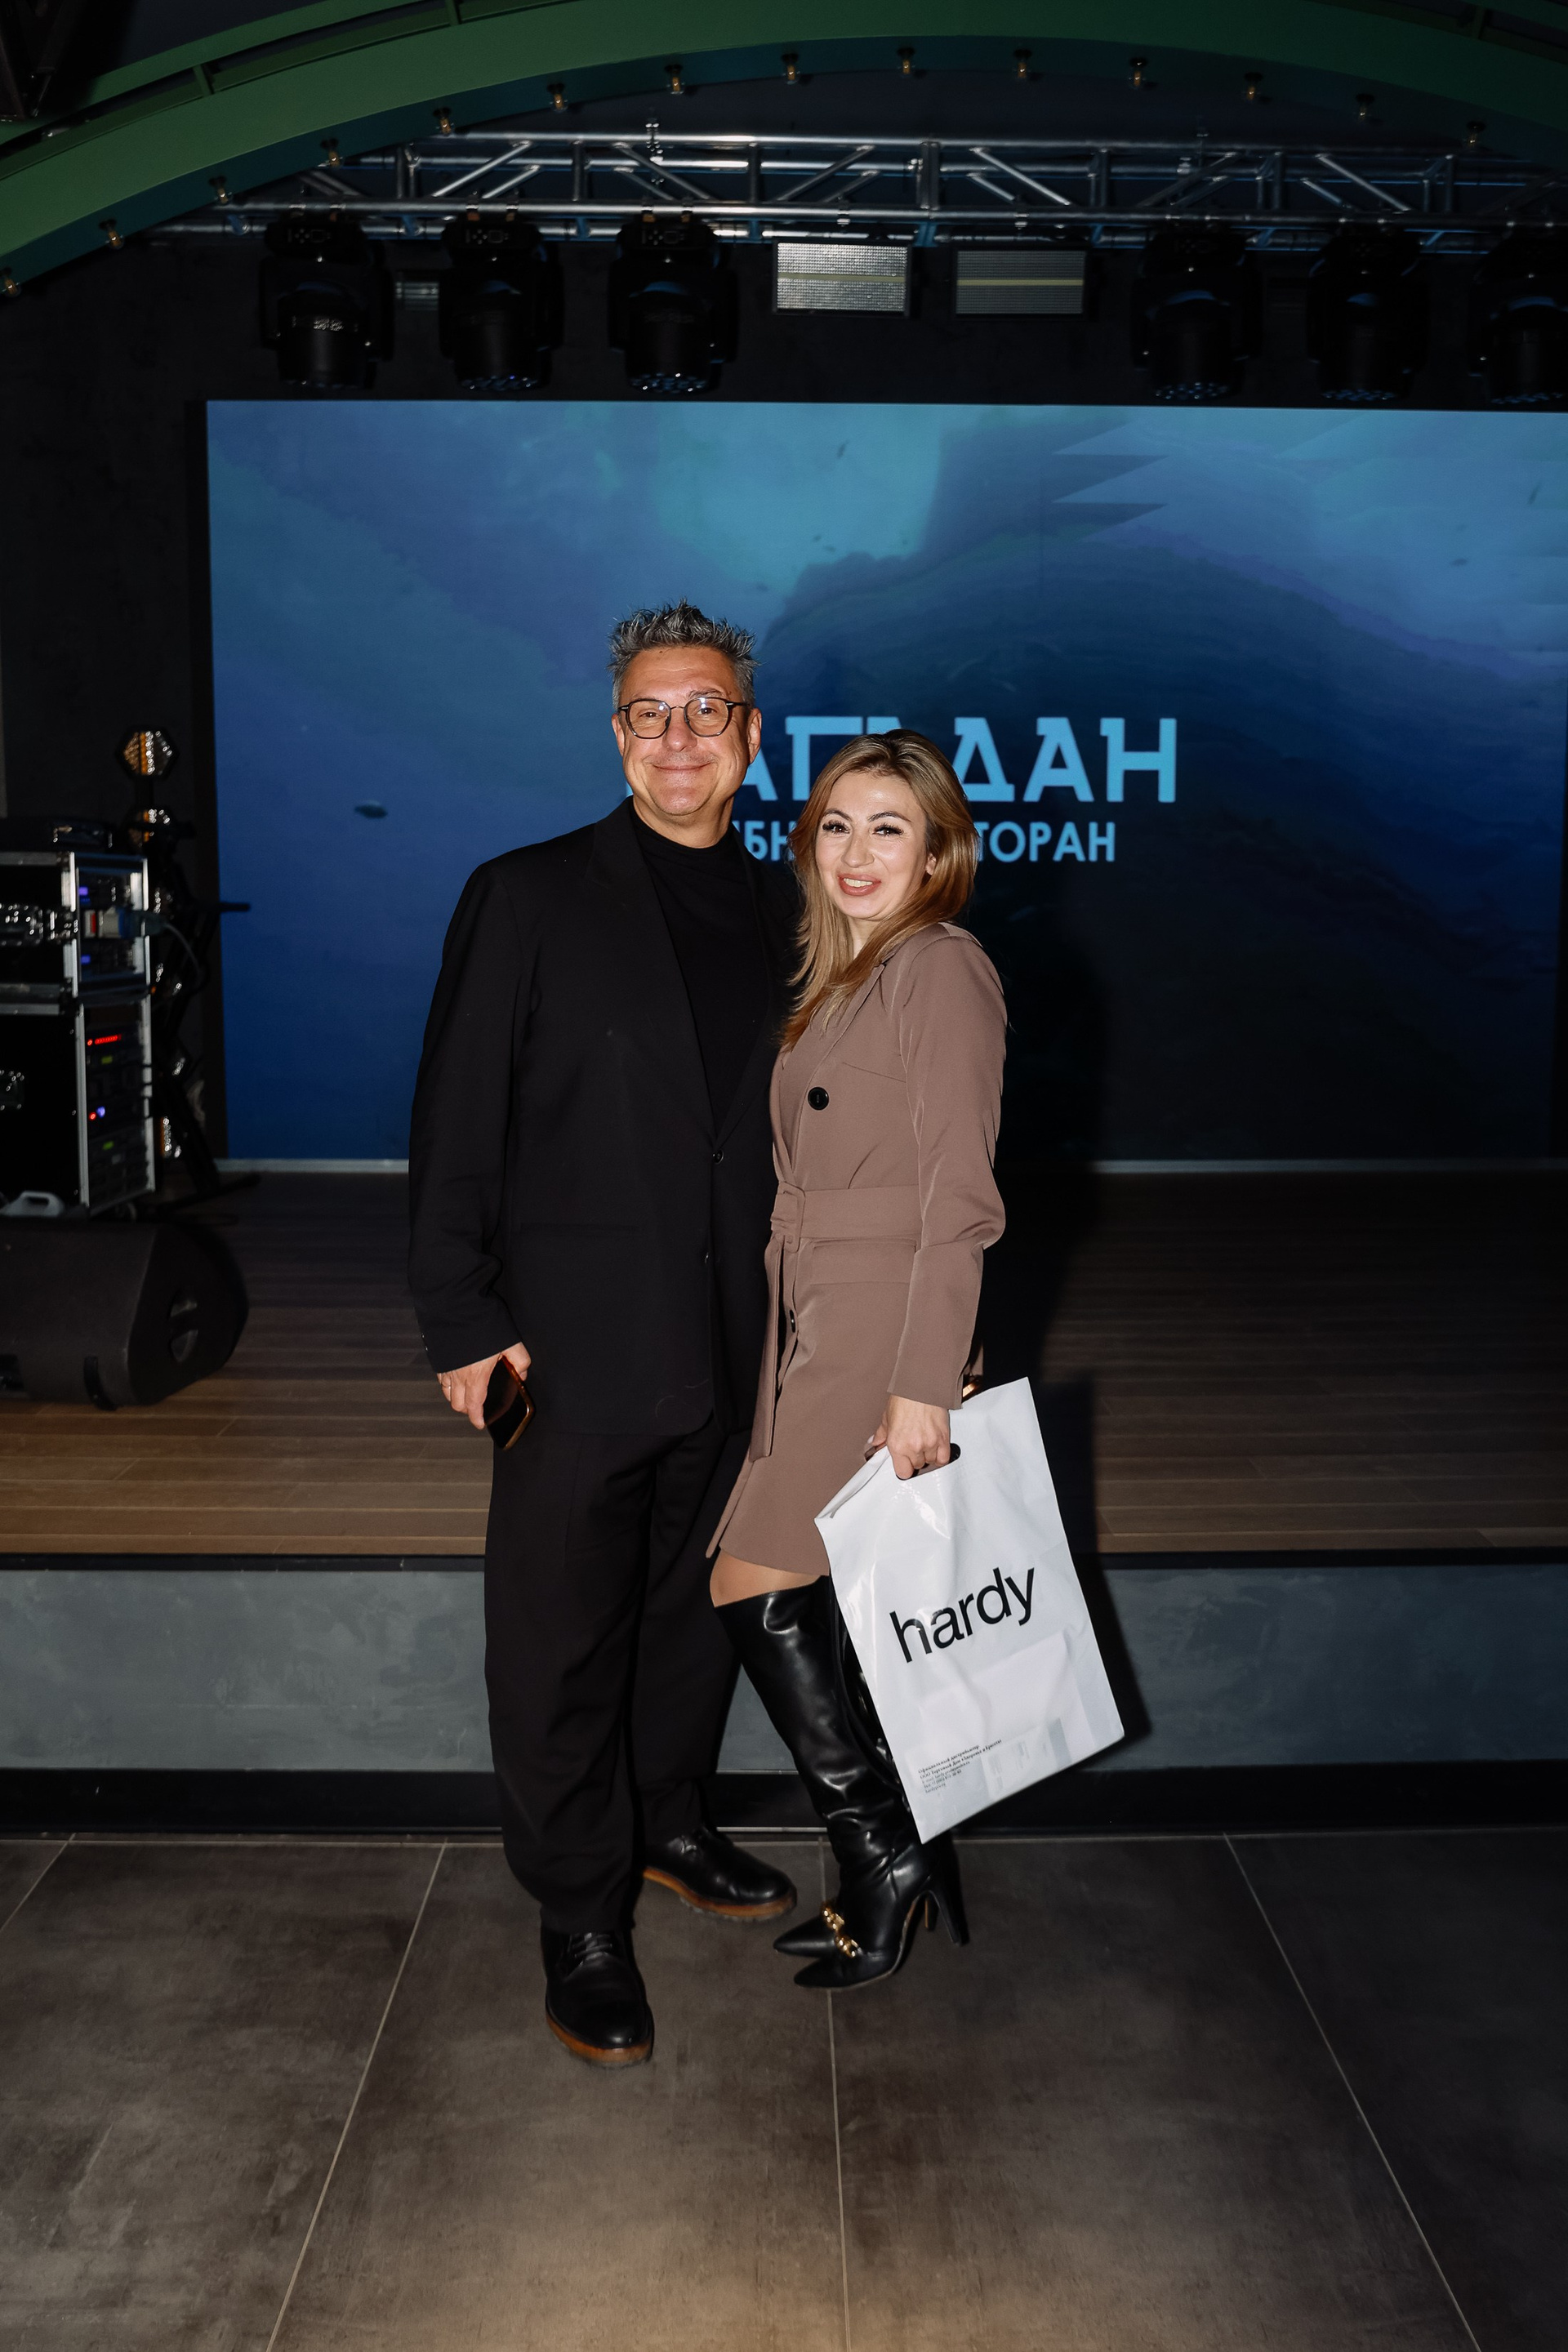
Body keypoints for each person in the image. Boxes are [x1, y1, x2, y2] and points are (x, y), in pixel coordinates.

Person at [408, 602, 800, 2068]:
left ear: (750, 736)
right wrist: (465, 1317)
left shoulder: (798, 912)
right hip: (569, 1349)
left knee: (696, 1616)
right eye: (650, 712)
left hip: (743, 1344)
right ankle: (579, 1909)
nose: (677, 737)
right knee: (558, 1642)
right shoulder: (526, 896)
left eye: (706, 711)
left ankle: (666, 1822)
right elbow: (456, 1122)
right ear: (616, 733)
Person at [708, 729, 1007, 1992]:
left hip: (882, 1318)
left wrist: (926, 1377)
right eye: (836, 824)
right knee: (814, 1590)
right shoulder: (844, 974)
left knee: (750, 1577)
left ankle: (883, 1853)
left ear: (938, 852)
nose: (857, 851)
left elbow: (963, 1200)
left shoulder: (941, 968)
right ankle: (890, 1854)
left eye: (890, 827)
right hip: (822, 1308)